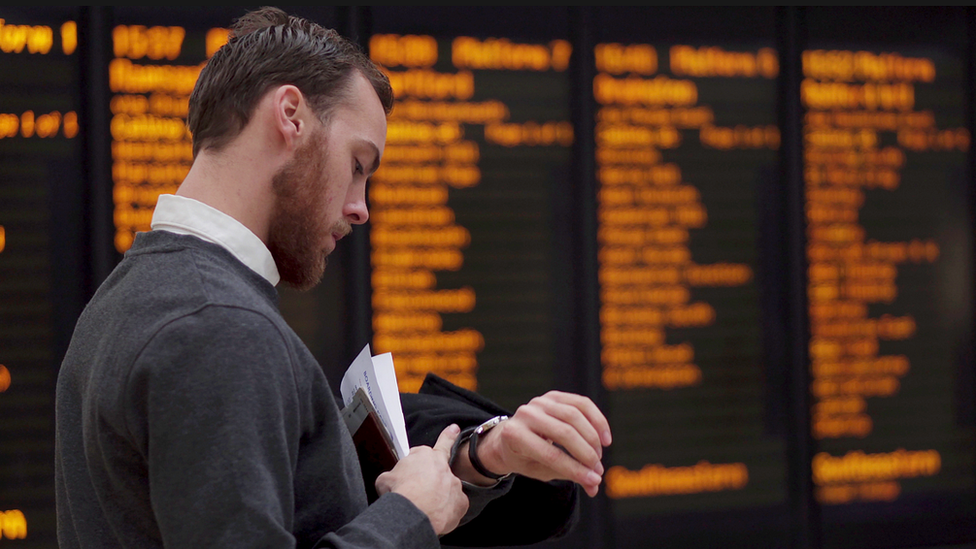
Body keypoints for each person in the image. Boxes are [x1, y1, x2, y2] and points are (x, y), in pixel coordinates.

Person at [55, 7, 612, 549]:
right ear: (291, 116)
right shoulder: (221, 326)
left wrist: (475, 458)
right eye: (357, 165)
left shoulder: (128, 297)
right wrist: (409, 518)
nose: (360, 207)